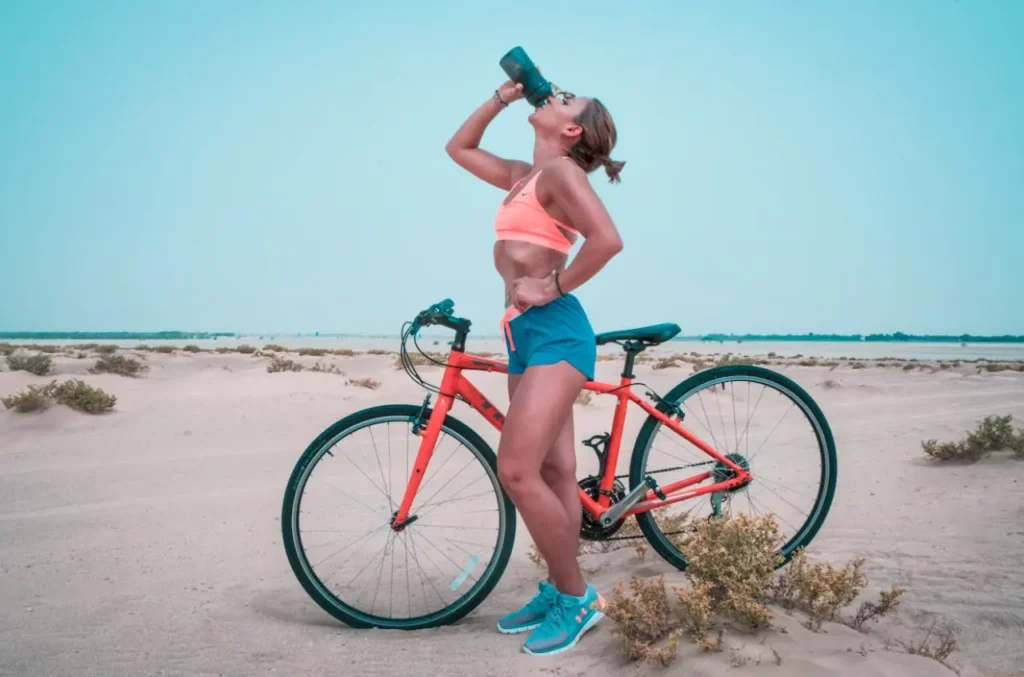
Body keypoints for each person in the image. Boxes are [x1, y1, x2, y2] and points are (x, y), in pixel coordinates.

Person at [445, 78, 625, 656]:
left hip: (556, 334)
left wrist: (553, 285)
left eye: (566, 101)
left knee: (517, 472)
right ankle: (556, 589)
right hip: (522, 336)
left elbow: (608, 240)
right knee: (554, 474)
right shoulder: (528, 176)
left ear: (571, 130)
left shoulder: (563, 175)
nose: (555, 96)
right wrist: (500, 98)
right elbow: (460, 149)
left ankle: (577, 599)